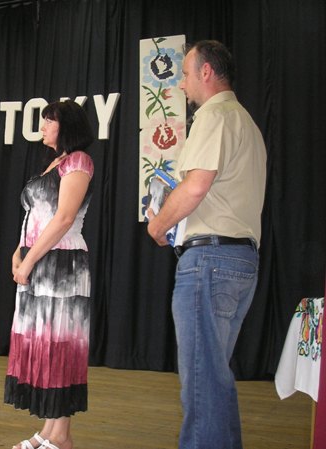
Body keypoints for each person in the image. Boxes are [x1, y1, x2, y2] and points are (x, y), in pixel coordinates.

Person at [147, 40, 267, 448]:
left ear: (206, 72)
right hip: (240, 260)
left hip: (210, 261)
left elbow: (196, 186)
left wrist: (159, 225)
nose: (181, 84)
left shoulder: (214, 115)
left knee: (202, 384)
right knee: (214, 379)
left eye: (184, 74)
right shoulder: (246, 122)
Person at [4, 100, 95, 449]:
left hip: (62, 266)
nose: (42, 126)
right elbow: (36, 216)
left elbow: (64, 218)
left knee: (59, 349)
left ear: (67, 126)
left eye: (49, 120)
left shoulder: (78, 161)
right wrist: (19, 252)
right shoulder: (54, 163)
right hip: (39, 260)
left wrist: (29, 261)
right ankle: (52, 433)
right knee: (45, 346)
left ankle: (59, 437)